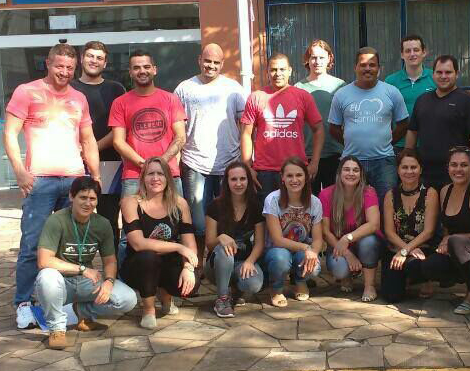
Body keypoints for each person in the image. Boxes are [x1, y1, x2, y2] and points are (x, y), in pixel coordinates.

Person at [3, 43, 100, 329]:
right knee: (32, 245)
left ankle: (65, 301)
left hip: (73, 180)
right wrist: (20, 171)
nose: (64, 72)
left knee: (72, 246)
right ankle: (24, 303)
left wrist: (94, 177)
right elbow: (9, 133)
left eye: (70, 68)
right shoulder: (26, 92)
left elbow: (88, 140)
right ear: (47, 63)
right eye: (59, 66)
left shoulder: (79, 98)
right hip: (40, 180)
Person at [35, 177, 137, 349]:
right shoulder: (56, 220)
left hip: (86, 282)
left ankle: (80, 312)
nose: (88, 203)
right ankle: (57, 329)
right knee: (46, 276)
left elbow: (110, 261)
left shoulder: (102, 224)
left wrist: (109, 281)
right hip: (61, 281)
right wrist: (82, 269)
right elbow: (44, 261)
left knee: (128, 299)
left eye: (92, 199)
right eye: (83, 197)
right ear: (71, 196)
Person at [175, 43, 246, 275]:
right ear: (199, 60)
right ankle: (197, 267)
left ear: (222, 64)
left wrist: (245, 160)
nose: (211, 66)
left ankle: (225, 267)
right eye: (207, 61)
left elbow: (246, 125)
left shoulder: (233, 89)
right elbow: (177, 127)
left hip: (228, 164)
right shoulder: (185, 88)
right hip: (194, 163)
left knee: (228, 219)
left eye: (216, 62)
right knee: (197, 222)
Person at [119, 157, 198, 329]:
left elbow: (189, 242)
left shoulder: (180, 203)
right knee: (148, 257)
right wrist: (178, 247)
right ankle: (148, 309)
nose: (155, 178)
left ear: (168, 178)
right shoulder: (130, 202)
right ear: (143, 178)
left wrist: (188, 268)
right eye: (150, 174)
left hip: (167, 262)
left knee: (192, 284)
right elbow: (138, 243)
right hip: (138, 265)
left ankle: (165, 296)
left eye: (160, 174)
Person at [241, 53, 325, 204]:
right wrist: (248, 167)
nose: (278, 73)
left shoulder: (303, 96)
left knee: (297, 214)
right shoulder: (256, 97)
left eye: (282, 69)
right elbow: (246, 134)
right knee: (266, 215)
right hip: (264, 172)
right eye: (273, 69)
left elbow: (318, 129)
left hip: (296, 170)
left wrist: (315, 163)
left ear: (290, 71)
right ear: (267, 71)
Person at [329, 47, 409, 204]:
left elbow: (403, 124)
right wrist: (351, 142)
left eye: (372, 65)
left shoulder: (392, 92)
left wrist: (387, 142)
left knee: (387, 204)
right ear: (355, 67)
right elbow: (333, 128)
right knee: (352, 205)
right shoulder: (341, 94)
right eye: (363, 64)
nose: (367, 68)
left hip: (384, 161)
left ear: (379, 68)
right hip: (352, 160)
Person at [423, 147, 470, 315]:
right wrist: (445, 240)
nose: (458, 169)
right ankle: (464, 278)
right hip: (456, 247)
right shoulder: (445, 191)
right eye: (454, 165)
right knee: (429, 266)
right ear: (447, 167)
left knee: (456, 242)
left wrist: (453, 239)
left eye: (464, 165)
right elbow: (447, 227)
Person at [109, 50, 186, 199]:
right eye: (136, 68)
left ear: (154, 70)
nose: (142, 71)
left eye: (146, 67)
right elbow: (118, 141)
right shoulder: (120, 103)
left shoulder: (171, 99)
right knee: (132, 215)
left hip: (168, 173)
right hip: (134, 176)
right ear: (130, 72)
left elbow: (181, 136)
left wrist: (161, 162)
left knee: (175, 214)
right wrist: (144, 165)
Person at [72, 41, 126, 250]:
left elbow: (119, 129)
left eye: (99, 58)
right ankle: (75, 263)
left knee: (108, 218)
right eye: (90, 56)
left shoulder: (116, 89)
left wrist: (90, 149)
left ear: (105, 63)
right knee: (74, 216)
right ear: (81, 58)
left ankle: (112, 265)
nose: (94, 61)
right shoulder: (70, 88)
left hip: (109, 163)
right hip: (74, 163)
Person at [405, 55, 470, 189]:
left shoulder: (468, 101)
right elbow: (412, 131)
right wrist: (407, 161)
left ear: (457, 74)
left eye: (448, 72)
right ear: (433, 74)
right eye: (439, 72)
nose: (443, 76)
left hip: (456, 173)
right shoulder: (422, 100)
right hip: (425, 172)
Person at [205, 162, 265, 318]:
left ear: (248, 181)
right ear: (226, 182)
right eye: (233, 179)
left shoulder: (255, 206)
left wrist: (250, 261)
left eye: (242, 179)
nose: (238, 183)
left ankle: (236, 290)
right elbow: (209, 244)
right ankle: (222, 299)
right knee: (225, 250)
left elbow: (259, 243)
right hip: (217, 264)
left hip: (242, 262)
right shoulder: (215, 206)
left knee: (254, 284)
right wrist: (220, 238)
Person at [263, 157, 323, 307]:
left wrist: (313, 253)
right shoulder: (272, 199)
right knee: (280, 258)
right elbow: (277, 240)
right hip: (276, 250)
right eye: (289, 175)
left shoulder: (315, 202)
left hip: (301, 252)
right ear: (282, 178)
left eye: (299, 175)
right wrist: (306, 248)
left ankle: (300, 281)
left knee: (315, 268)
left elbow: (318, 239)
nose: (294, 180)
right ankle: (276, 287)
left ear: (306, 177)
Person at [319, 156, 381, 302]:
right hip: (338, 245)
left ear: (361, 174)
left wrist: (348, 238)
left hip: (362, 243)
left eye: (355, 170)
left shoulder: (368, 192)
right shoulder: (326, 194)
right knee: (340, 270)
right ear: (339, 173)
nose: (351, 173)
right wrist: (347, 253)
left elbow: (373, 224)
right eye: (346, 169)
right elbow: (325, 231)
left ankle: (369, 286)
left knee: (369, 242)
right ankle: (347, 276)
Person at [381, 149, 438, 302]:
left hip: (422, 248)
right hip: (396, 248)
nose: (409, 171)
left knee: (416, 265)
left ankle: (424, 280)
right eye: (404, 167)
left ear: (421, 169)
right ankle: (404, 279)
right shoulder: (390, 195)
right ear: (398, 170)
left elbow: (429, 231)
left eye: (413, 167)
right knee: (391, 296)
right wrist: (404, 250)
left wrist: (407, 250)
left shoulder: (430, 193)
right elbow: (389, 232)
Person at [295, 40, 346, 195]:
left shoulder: (341, 87)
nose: (317, 62)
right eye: (313, 57)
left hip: (335, 152)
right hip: (307, 154)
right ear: (307, 60)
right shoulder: (298, 88)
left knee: (335, 201)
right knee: (310, 201)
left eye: (321, 57)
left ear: (329, 58)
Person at [385, 34, 436, 154]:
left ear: (424, 52)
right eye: (408, 51)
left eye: (416, 50)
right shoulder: (391, 81)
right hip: (399, 144)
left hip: (429, 143)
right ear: (402, 55)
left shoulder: (435, 77)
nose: (412, 54)